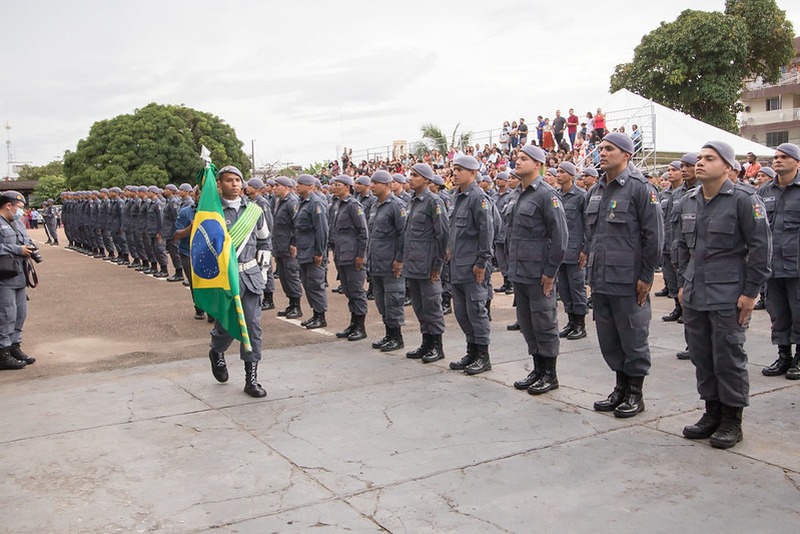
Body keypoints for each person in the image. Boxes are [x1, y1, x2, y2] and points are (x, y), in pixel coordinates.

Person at [677, 141, 772, 449]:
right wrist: (681, 283)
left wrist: (750, 292)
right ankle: (711, 412)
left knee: (728, 357)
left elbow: (761, 249)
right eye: (700, 157)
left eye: (710, 158)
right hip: (694, 291)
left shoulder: (744, 200)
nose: (701, 163)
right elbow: (681, 246)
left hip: (728, 293)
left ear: (728, 167)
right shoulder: (690, 200)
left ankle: (732, 419)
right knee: (702, 356)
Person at [580, 132, 663, 418]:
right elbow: (591, 236)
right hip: (602, 278)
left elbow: (654, 236)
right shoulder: (596, 190)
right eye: (600, 148)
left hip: (628, 280)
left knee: (633, 335)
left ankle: (635, 393)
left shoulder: (641, 189)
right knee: (610, 338)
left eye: (609, 149)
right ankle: (620, 387)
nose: (602, 153)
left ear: (627, 155)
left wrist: (646, 275)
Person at [505, 147, 568, 394]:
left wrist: (550, 271)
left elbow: (560, 237)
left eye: (524, 159)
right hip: (519, 271)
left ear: (538, 164)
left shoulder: (546, 195)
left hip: (538, 272)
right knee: (527, 322)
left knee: (544, 322)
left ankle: (550, 373)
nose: (517, 162)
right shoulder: (517, 195)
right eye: (517, 158)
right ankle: (537, 368)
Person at [206, 165, 271, 398]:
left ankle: (251, 379)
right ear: (220, 184)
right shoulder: (212, 212)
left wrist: (262, 272)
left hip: (250, 276)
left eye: (238, 180)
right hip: (225, 278)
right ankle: (217, 350)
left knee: (252, 326)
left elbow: (265, 241)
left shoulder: (255, 211)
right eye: (229, 180)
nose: (234, 184)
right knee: (226, 324)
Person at [446, 155, 494, 375]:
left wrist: (482, 261)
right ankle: (472, 351)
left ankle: (483, 356)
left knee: (476, 311)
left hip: (473, 265)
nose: (454, 173)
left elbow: (487, 231)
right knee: (462, 313)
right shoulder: (456, 196)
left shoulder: (478, 198)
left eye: (460, 169)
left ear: (473, 173)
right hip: (457, 264)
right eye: (454, 168)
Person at [758, 143, 800, 379]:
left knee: (799, 312)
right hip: (772, 266)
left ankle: (799, 357)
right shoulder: (765, 192)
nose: (778, 160)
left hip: (797, 266)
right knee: (778, 313)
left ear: (797, 163)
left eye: (784, 157)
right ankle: (784, 355)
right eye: (775, 157)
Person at [403, 163, 450, 363]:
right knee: (420, 307)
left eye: (415, 175)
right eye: (410, 174)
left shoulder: (434, 201)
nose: (410, 178)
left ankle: (437, 346)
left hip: (428, 264)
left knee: (432, 306)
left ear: (426, 179)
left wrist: (437, 266)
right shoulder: (412, 201)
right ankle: (426, 342)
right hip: (413, 263)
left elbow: (443, 235)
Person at [367, 170, 406, 351]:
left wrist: (399, 259)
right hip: (377, 262)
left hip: (391, 263)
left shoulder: (397, 206)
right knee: (382, 301)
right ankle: (388, 333)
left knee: (394, 300)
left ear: (387, 185)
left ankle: (396, 336)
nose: (372, 185)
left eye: (376, 182)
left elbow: (403, 234)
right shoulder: (375, 206)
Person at [0, 191, 37, 371]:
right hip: (4, 276)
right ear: (9, 206)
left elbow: (27, 240)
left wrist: (31, 248)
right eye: (19, 208)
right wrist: (16, 249)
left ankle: (15, 347)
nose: (21, 211)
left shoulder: (17, 223)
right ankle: (3, 353)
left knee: (20, 313)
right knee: (6, 315)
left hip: (19, 274)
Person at [330, 175, 369, 341]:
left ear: (347, 187)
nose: (333, 187)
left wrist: (361, 255)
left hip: (353, 256)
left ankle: (360, 326)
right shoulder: (338, 204)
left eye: (337, 185)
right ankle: (353, 323)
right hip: (341, 255)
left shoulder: (353, 205)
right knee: (348, 291)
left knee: (357, 291)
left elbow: (363, 232)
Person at [554, 161, 588, 340]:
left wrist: (585, 249)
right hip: (561, 250)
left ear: (571, 175)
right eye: (557, 171)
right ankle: (571, 321)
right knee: (564, 289)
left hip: (576, 250)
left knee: (577, 288)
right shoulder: (555, 196)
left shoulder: (581, 196)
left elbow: (589, 225)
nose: (558, 175)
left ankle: (580, 324)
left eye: (562, 172)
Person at [294, 174, 329, 329]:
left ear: (310, 186)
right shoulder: (302, 202)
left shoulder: (316, 203)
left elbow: (322, 229)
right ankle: (315, 313)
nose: (297, 185)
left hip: (313, 251)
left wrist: (319, 252)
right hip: (304, 250)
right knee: (307, 284)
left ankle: (321, 316)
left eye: (301, 183)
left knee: (315, 284)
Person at [272, 176, 304, 321]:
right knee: (284, 277)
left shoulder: (292, 202)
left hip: (288, 246)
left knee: (291, 276)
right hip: (280, 245)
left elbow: (298, 225)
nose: (274, 188)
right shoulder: (280, 201)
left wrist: (294, 243)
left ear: (285, 187)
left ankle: (297, 306)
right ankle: (291, 303)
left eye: (277, 185)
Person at [659, 162, 685, 322]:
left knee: (683, 280)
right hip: (666, 244)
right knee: (671, 279)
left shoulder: (688, 193)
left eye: (674, 170)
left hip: (681, 245)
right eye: (668, 170)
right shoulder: (666, 194)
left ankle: (686, 310)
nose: (670, 173)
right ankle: (678, 307)